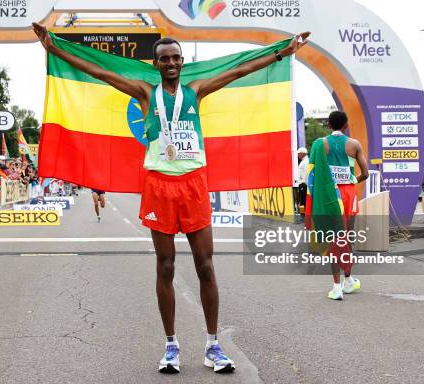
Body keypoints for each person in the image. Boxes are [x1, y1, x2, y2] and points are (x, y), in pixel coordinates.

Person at [33, 21, 310, 374]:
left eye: (176, 58)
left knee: (205, 265)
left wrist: (281, 52)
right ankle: (171, 345)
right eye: (164, 59)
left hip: (193, 183)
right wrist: (54, 48)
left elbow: (239, 70)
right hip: (159, 185)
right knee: (165, 266)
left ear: (182, 62)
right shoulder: (144, 93)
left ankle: (212, 345)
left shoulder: (196, 89)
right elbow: (98, 72)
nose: (172, 63)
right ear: (155, 64)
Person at [313, 111, 369, 301]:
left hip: (330, 195)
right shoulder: (354, 144)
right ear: (346, 125)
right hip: (348, 195)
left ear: (328, 125)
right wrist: (353, 181)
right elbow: (366, 174)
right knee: (346, 239)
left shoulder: (321, 144)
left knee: (333, 239)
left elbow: (314, 175)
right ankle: (347, 280)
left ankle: (339, 285)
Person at [296, 147, 309, 215]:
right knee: (302, 199)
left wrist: (303, 182)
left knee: (303, 200)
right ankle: (302, 213)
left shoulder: (306, 161)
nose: (298, 155)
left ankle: (303, 214)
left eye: (299, 154)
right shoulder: (304, 161)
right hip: (302, 183)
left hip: (304, 184)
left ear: (303, 153)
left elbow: (306, 173)